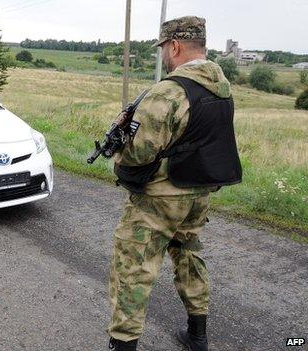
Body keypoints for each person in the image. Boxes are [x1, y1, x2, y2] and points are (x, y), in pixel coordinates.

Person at [107, 16, 242, 351]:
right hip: (198, 194)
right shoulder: (222, 87)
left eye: (165, 48)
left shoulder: (168, 91)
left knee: (133, 269)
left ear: (176, 46)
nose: (164, 56)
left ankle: (122, 345)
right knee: (189, 257)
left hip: (159, 199)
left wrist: (119, 152)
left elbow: (138, 153)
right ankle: (198, 335)